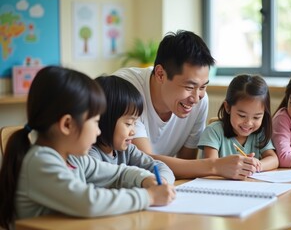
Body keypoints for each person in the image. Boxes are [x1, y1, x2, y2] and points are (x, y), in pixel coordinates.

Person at [0, 66, 175, 230]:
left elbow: (119, 172)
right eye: (95, 122)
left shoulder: (74, 159)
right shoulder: (41, 162)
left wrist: (146, 179)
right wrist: (149, 197)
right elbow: (89, 202)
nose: (98, 130)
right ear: (67, 124)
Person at [113, 30, 251, 180]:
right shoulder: (126, 89)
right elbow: (143, 162)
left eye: (203, 87)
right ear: (160, 74)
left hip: (164, 185)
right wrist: (215, 166)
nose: (196, 98)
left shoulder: (200, 102)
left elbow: (187, 165)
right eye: (189, 87)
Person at [89, 75, 175, 184]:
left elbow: (160, 167)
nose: (133, 131)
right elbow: (106, 181)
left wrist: (162, 181)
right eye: (128, 123)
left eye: (135, 123)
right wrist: (144, 182)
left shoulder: (128, 150)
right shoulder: (90, 154)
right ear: (104, 120)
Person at [198, 74, 279, 179]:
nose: (248, 123)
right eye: (242, 115)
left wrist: (256, 165)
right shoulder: (213, 132)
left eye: (256, 117)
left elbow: (274, 159)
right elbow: (211, 165)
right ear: (228, 107)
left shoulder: (259, 134)